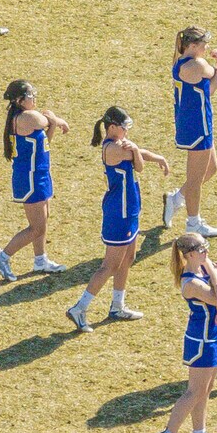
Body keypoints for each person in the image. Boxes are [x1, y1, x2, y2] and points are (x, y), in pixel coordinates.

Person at [67, 106, 172, 331]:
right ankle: (79, 308)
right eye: (123, 128)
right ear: (112, 127)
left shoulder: (121, 145)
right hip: (119, 212)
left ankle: (117, 305)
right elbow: (139, 165)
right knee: (110, 265)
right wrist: (135, 151)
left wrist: (157, 157)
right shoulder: (113, 149)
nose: (126, 132)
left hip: (129, 209)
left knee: (128, 258)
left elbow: (140, 154)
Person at [154, 232, 217, 433]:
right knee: (194, 391)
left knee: (206, 390)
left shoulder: (202, 270)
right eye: (202, 250)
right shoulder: (192, 283)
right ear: (188, 255)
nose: (207, 252)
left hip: (214, 337)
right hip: (201, 341)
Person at [0, 80, 69, 281]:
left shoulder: (27, 118)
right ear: (19, 100)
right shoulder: (27, 118)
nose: (34, 98)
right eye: (30, 96)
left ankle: (40, 259)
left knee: (44, 219)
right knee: (37, 228)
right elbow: (46, 120)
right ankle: (3, 257)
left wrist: (53, 123)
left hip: (40, 174)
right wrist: (55, 119)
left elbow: (44, 142)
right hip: (30, 178)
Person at [164, 27, 217, 237]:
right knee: (195, 180)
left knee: (211, 169)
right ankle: (193, 223)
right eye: (203, 44)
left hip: (190, 123)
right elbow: (212, 88)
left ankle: (176, 199)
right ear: (192, 46)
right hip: (198, 126)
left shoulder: (180, 61)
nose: (206, 48)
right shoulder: (198, 65)